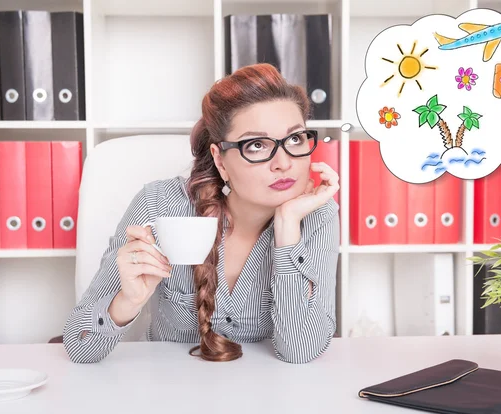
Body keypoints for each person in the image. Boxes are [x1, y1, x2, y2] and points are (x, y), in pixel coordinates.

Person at [62, 63, 340, 364]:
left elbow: (300, 351)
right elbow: (80, 346)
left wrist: (288, 226)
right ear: (220, 161)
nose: (284, 163)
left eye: (295, 139)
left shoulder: (316, 216)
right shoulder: (160, 205)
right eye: (257, 145)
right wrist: (127, 302)